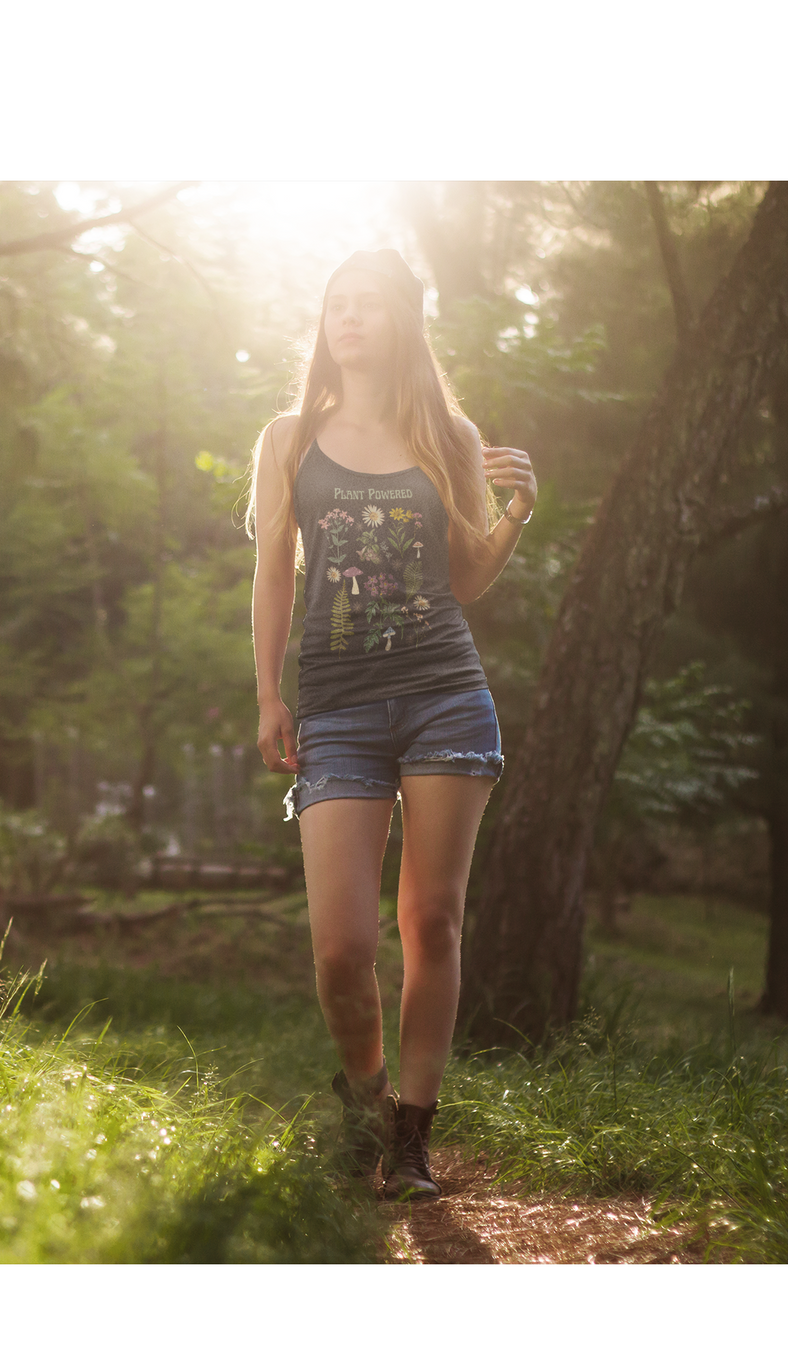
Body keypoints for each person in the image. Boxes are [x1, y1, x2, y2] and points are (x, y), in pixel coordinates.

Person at [248, 249, 537, 1202]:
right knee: (339, 947)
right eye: (337, 303)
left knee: (431, 920)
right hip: (334, 708)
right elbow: (272, 572)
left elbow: (464, 582)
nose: (350, 318)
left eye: (370, 304)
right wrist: (267, 692)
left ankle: (412, 1134)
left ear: (404, 322)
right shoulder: (288, 437)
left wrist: (516, 515)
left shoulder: (447, 434)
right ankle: (367, 1095)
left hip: (444, 694)